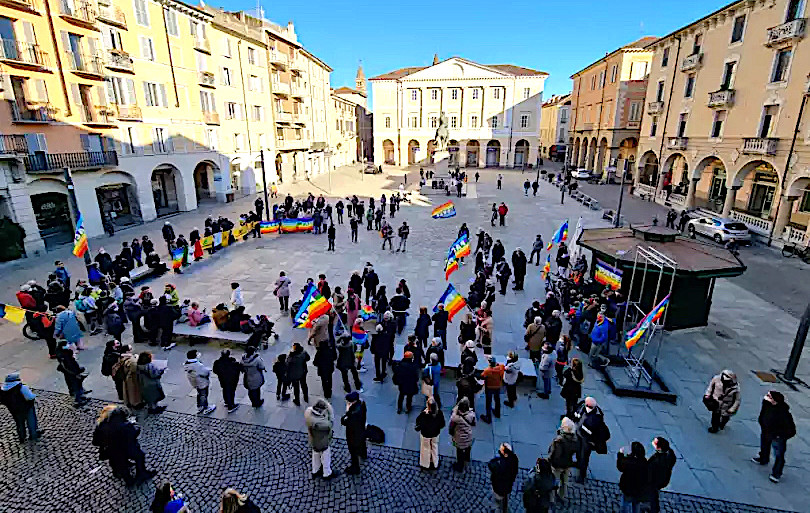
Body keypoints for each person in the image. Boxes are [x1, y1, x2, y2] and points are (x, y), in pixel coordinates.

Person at [93, 404, 155, 486]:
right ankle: (141, 474)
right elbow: (135, 432)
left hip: (111, 451)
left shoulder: (101, 425)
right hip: (127, 449)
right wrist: (134, 424)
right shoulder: (125, 426)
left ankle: (127, 480)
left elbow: (95, 442)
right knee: (140, 456)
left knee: (120, 462)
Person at [752, 390, 796, 483]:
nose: (766, 397)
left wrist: (779, 436)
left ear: (775, 401)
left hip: (777, 436)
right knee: (764, 445)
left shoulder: (783, 414)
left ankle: (776, 473)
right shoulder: (767, 404)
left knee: (779, 454)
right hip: (766, 431)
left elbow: (791, 430)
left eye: (769, 396)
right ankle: (763, 458)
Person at [573, 396, 610, 484]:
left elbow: (600, 433)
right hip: (578, 435)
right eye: (588, 406)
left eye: (591, 407)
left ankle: (582, 475)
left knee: (584, 457)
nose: (589, 408)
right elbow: (575, 416)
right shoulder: (581, 407)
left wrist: (593, 441)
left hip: (587, 440)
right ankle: (578, 463)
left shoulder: (597, 418)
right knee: (578, 452)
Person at [0, 372, 43, 443]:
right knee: (31, 420)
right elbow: (30, 397)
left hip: (14, 410)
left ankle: (22, 437)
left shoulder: (4, 390)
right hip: (26, 408)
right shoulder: (21, 387)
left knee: (19, 423)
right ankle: (33, 434)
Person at [305, 398, 337, 480]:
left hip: (313, 440)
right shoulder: (323, 424)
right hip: (323, 441)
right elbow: (331, 423)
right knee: (326, 456)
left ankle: (315, 470)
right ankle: (327, 473)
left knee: (315, 454)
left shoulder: (308, 413)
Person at [548, 417, 579, 504]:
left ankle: (551, 498)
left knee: (553, 481)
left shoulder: (558, 441)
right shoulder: (574, 440)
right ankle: (561, 495)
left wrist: (549, 461)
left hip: (557, 465)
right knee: (564, 482)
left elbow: (554, 454)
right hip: (567, 464)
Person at [646, 437, 676, 513]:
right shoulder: (669, 454)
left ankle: (653, 510)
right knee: (654, 493)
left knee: (652, 494)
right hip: (662, 479)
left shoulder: (659, 461)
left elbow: (650, 470)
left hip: (655, 480)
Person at [616, 441, 648, 513]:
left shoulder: (629, 462)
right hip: (638, 489)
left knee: (625, 503)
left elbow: (620, 466)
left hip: (628, 487)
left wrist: (620, 454)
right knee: (636, 504)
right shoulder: (643, 461)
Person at [415, 396, 445, 470]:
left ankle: (425, 463)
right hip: (435, 433)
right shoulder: (439, 413)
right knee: (434, 446)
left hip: (426, 434)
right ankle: (435, 462)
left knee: (425, 448)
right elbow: (442, 424)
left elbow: (418, 422)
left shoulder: (424, 415)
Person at [488, 442, 519, 513]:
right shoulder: (514, 459)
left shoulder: (500, 465)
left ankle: (498, 508)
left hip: (498, 486)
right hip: (508, 485)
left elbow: (491, 465)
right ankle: (505, 508)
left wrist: (496, 459)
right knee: (505, 496)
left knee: (498, 498)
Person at [341, 391, 367, 475]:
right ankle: (363, 454)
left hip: (353, 434)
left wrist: (347, 412)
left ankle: (355, 468)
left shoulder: (353, 413)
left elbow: (345, 422)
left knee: (353, 450)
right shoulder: (362, 404)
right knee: (362, 443)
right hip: (361, 430)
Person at [184, 350, 216, 415]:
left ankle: (199, 406)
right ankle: (205, 407)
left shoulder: (187, 364)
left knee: (199, 393)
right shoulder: (197, 365)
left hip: (195, 382)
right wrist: (207, 371)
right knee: (204, 394)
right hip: (202, 382)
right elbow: (205, 372)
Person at [448, 397, 476, 472]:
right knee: (468, 448)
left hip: (459, 438)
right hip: (468, 436)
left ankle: (459, 466)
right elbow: (473, 423)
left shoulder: (455, 417)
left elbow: (451, 426)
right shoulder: (471, 414)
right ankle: (467, 458)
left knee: (459, 452)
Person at [336, 328, 363, 393]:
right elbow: (355, 350)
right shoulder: (351, 344)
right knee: (354, 373)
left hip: (342, 363)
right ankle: (358, 385)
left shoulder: (340, 347)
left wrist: (340, 337)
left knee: (345, 376)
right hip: (351, 361)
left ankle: (347, 387)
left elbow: (336, 343)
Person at [480, 356, 504, 424]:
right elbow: (501, 367)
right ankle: (497, 413)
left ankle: (488, 418)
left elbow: (482, 376)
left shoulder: (487, 371)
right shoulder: (501, 368)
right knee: (497, 400)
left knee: (488, 402)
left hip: (489, 387)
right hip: (497, 386)